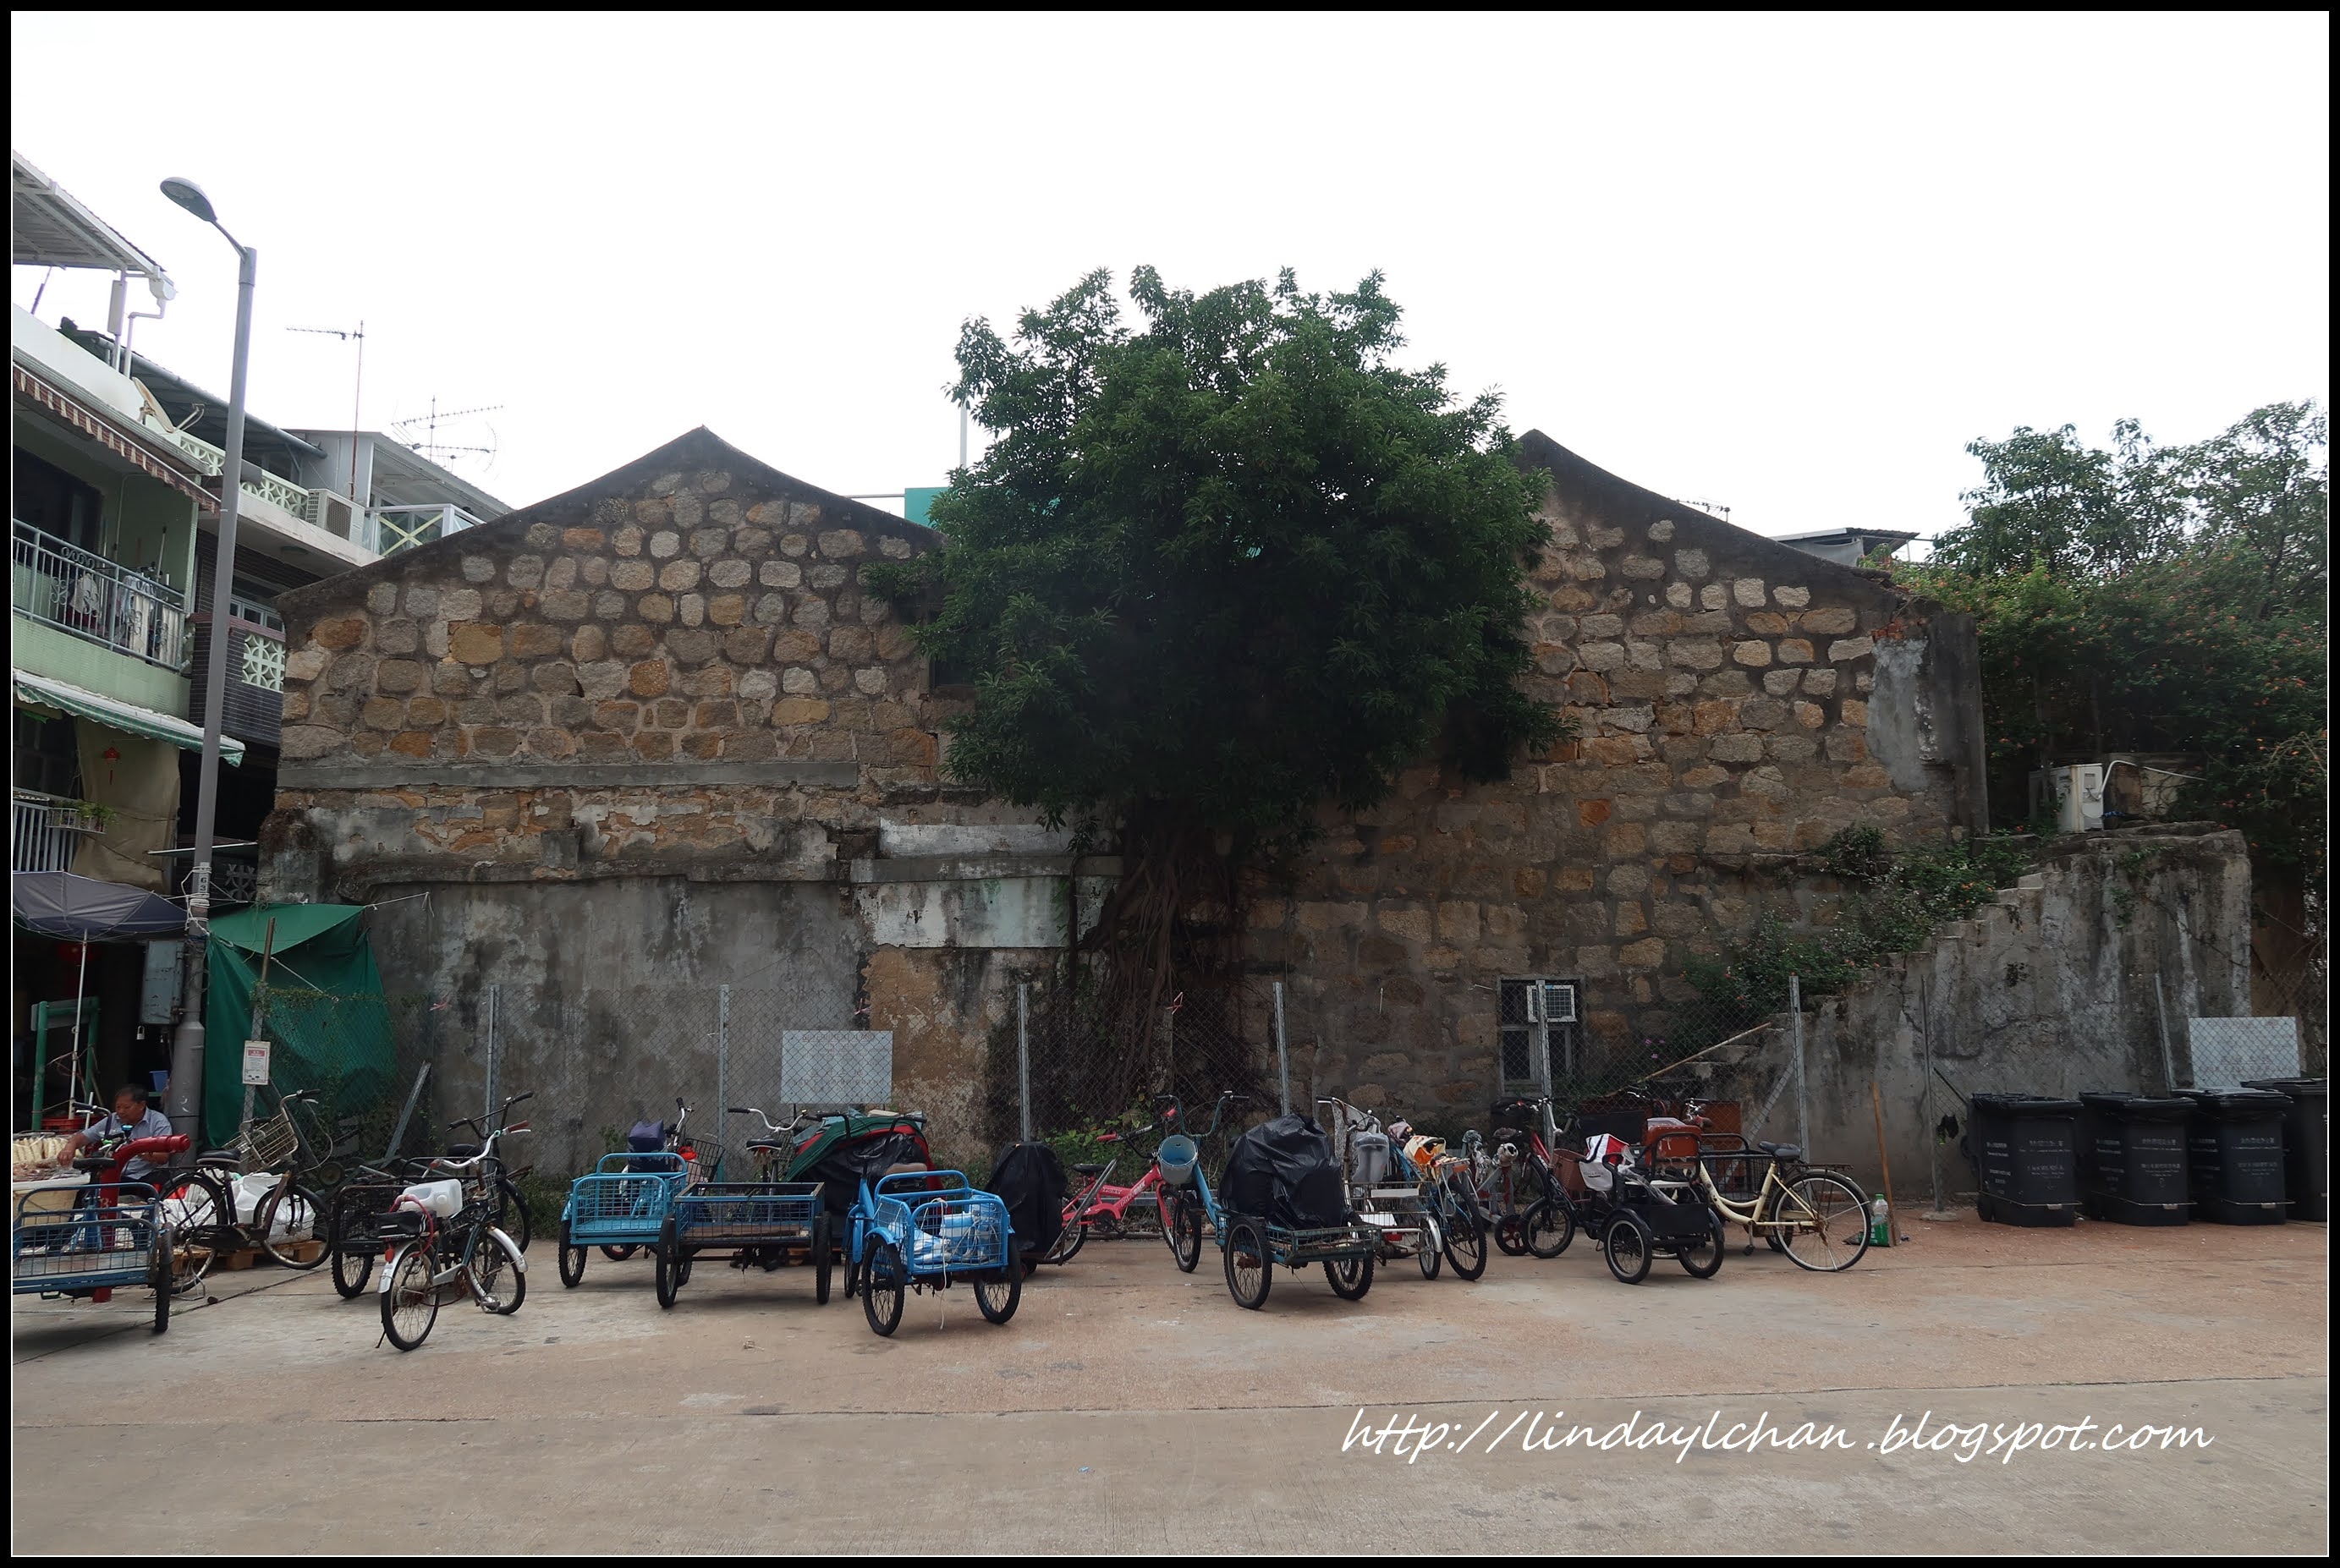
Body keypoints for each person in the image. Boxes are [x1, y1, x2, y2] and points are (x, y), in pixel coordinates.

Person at [57, 1083, 175, 1190]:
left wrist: (137, 1150)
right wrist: (69, 1147)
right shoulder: (112, 1119)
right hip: (115, 1174)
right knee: (83, 1191)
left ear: (142, 1105)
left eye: (127, 1107)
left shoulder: (158, 1122)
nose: (121, 1112)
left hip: (144, 1175)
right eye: (118, 1107)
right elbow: (83, 1137)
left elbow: (163, 1157)